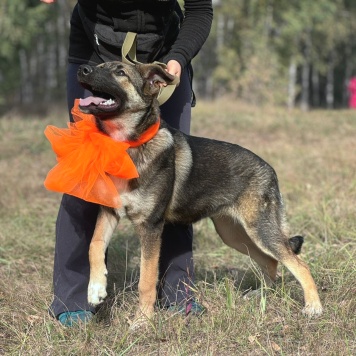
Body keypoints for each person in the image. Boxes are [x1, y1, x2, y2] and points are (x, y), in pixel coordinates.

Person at [41, 0, 213, 326]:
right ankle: (74, 297)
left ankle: (176, 290)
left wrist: (176, 60)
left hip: (161, 53)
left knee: (169, 175)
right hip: (96, 50)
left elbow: (200, 9)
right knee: (88, 172)